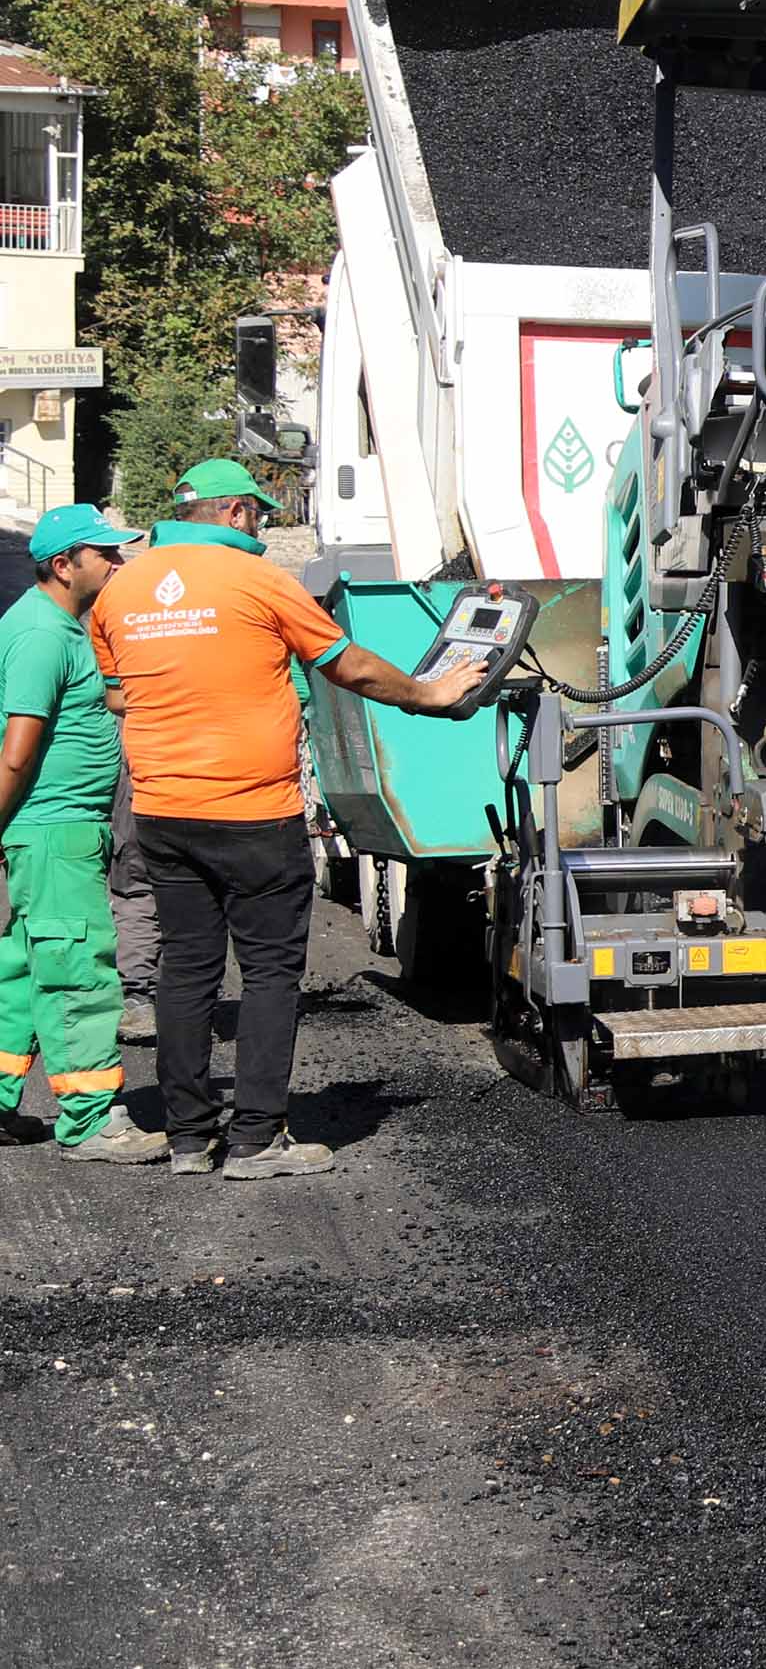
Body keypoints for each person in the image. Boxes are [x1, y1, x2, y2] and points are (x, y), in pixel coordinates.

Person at [89, 460, 486, 1178]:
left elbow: (118, 697)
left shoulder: (121, 590)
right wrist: (430, 695)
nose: (264, 530)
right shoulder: (261, 582)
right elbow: (350, 667)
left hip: (162, 811)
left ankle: (187, 1139)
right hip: (251, 811)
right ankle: (255, 1141)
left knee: (186, 971)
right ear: (237, 512)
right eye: (261, 517)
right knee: (270, 972)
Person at [0, 505, 149, 1161]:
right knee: (76, 972)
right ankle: (90, 1121)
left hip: (59, 830)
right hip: (54, 832)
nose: (118, 564)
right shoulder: (40, 634)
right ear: (64, 566)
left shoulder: (62, 626)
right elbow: (17, 750)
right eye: (105, 554)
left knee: (22, 973)